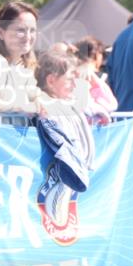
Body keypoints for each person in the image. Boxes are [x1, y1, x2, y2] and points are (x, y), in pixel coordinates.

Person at [34, 50, 96, 224]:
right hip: (58, 168)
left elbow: (107, 103)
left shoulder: (68, 104)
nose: (74, 85)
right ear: (51, 80)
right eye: (69, 79)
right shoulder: (43, 103)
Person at [74, 36, 118, 116]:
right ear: (97, 54)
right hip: (101, 123)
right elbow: (112, 104)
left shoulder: (71, 74)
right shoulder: (103, 77)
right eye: (102, 54)